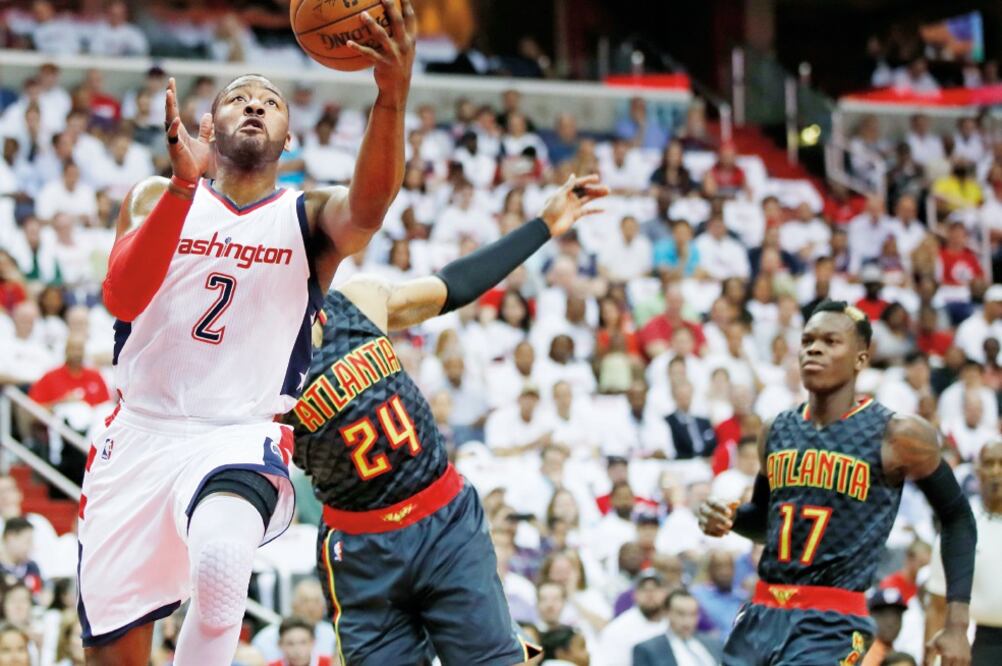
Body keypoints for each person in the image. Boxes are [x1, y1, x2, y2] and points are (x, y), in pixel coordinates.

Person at [78, 4, 418, 664]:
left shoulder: (306, 215)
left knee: (223, 564)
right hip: (140, 436)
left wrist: (391, 96)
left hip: (237, 434)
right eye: (239, 99)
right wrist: (184, 185)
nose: (256, 106)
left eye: (270, 102)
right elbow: (120, 295)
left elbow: (370, 207)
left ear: (288, 138)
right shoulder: (157, 195)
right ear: (208, 125)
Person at [291, 174, 608, 664]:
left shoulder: (358, 300)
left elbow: (454, 285)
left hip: (444, 521)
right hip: (361, 548)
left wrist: (543, 225)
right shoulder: (254, 355)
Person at [698, 299, 976, 666]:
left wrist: (957, 623)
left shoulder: (897, 433)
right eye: (808, 340)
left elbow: (957, 516)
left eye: (831, 341)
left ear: (861, 359)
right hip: (762, 611)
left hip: (832, 619)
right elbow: (767, 525)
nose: (814, 348)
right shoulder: (775, 429)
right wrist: (731, 519)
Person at [926, 441, 1002, 666]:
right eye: (989, 464)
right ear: (977, 472)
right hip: (975, 642)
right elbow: (938, 605)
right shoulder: (960, 527)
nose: (996, 471)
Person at [632, 589, 723, 666]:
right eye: (681, 614)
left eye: (693, 614)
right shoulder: (647, 650)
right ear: (666, 613)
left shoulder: (714, 643)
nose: (688, 621)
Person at [862, 587, 908, 666]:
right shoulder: (863, 654)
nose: (890, 622)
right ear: (870, 616)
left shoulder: (895, 653)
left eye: (897, 615)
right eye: (883, 615)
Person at [267, 617, 332, 666]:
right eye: (290, 643)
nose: (297, 650)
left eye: (303, 642)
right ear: (280, 644)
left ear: (313, 642)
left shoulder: (331, 664)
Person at [0, 518, 41, 596]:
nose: (31, 547)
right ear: (10, 538)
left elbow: (36, 597)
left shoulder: (32, 567)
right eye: (28, 541)